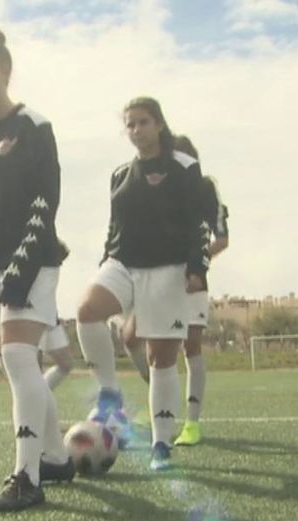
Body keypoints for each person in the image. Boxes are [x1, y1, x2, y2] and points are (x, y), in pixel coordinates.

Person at [0, 28, 72, 513]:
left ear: (6, 71)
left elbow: (46, 201)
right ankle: (57, 459)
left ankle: (27, 479)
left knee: (22, 360)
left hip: (32, 260)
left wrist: (20, 270)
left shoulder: (34, 127)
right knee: (15, 365)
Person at [76, 97, 218, 471]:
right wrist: (105, 257)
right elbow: (114, 225)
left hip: (168, 270)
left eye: (142, 122)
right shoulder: (120, 174)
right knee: (87, 310)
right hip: (123, 263)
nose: (136, 130)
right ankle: (110, 394)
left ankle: (161, 445)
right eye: (130, 124)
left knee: (161, 360)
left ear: (158, 124)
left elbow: (200, 224)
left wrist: (196, 268)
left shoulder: (185, 167)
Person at [121, 135, 230, 447]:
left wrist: (196, 263)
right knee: (130, 337)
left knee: (190, 347)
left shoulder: (204, 188)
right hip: (155, 279)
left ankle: (192, 423)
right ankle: (159, 398)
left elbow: (222, 239)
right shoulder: (150, 188)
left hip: (191, 280)